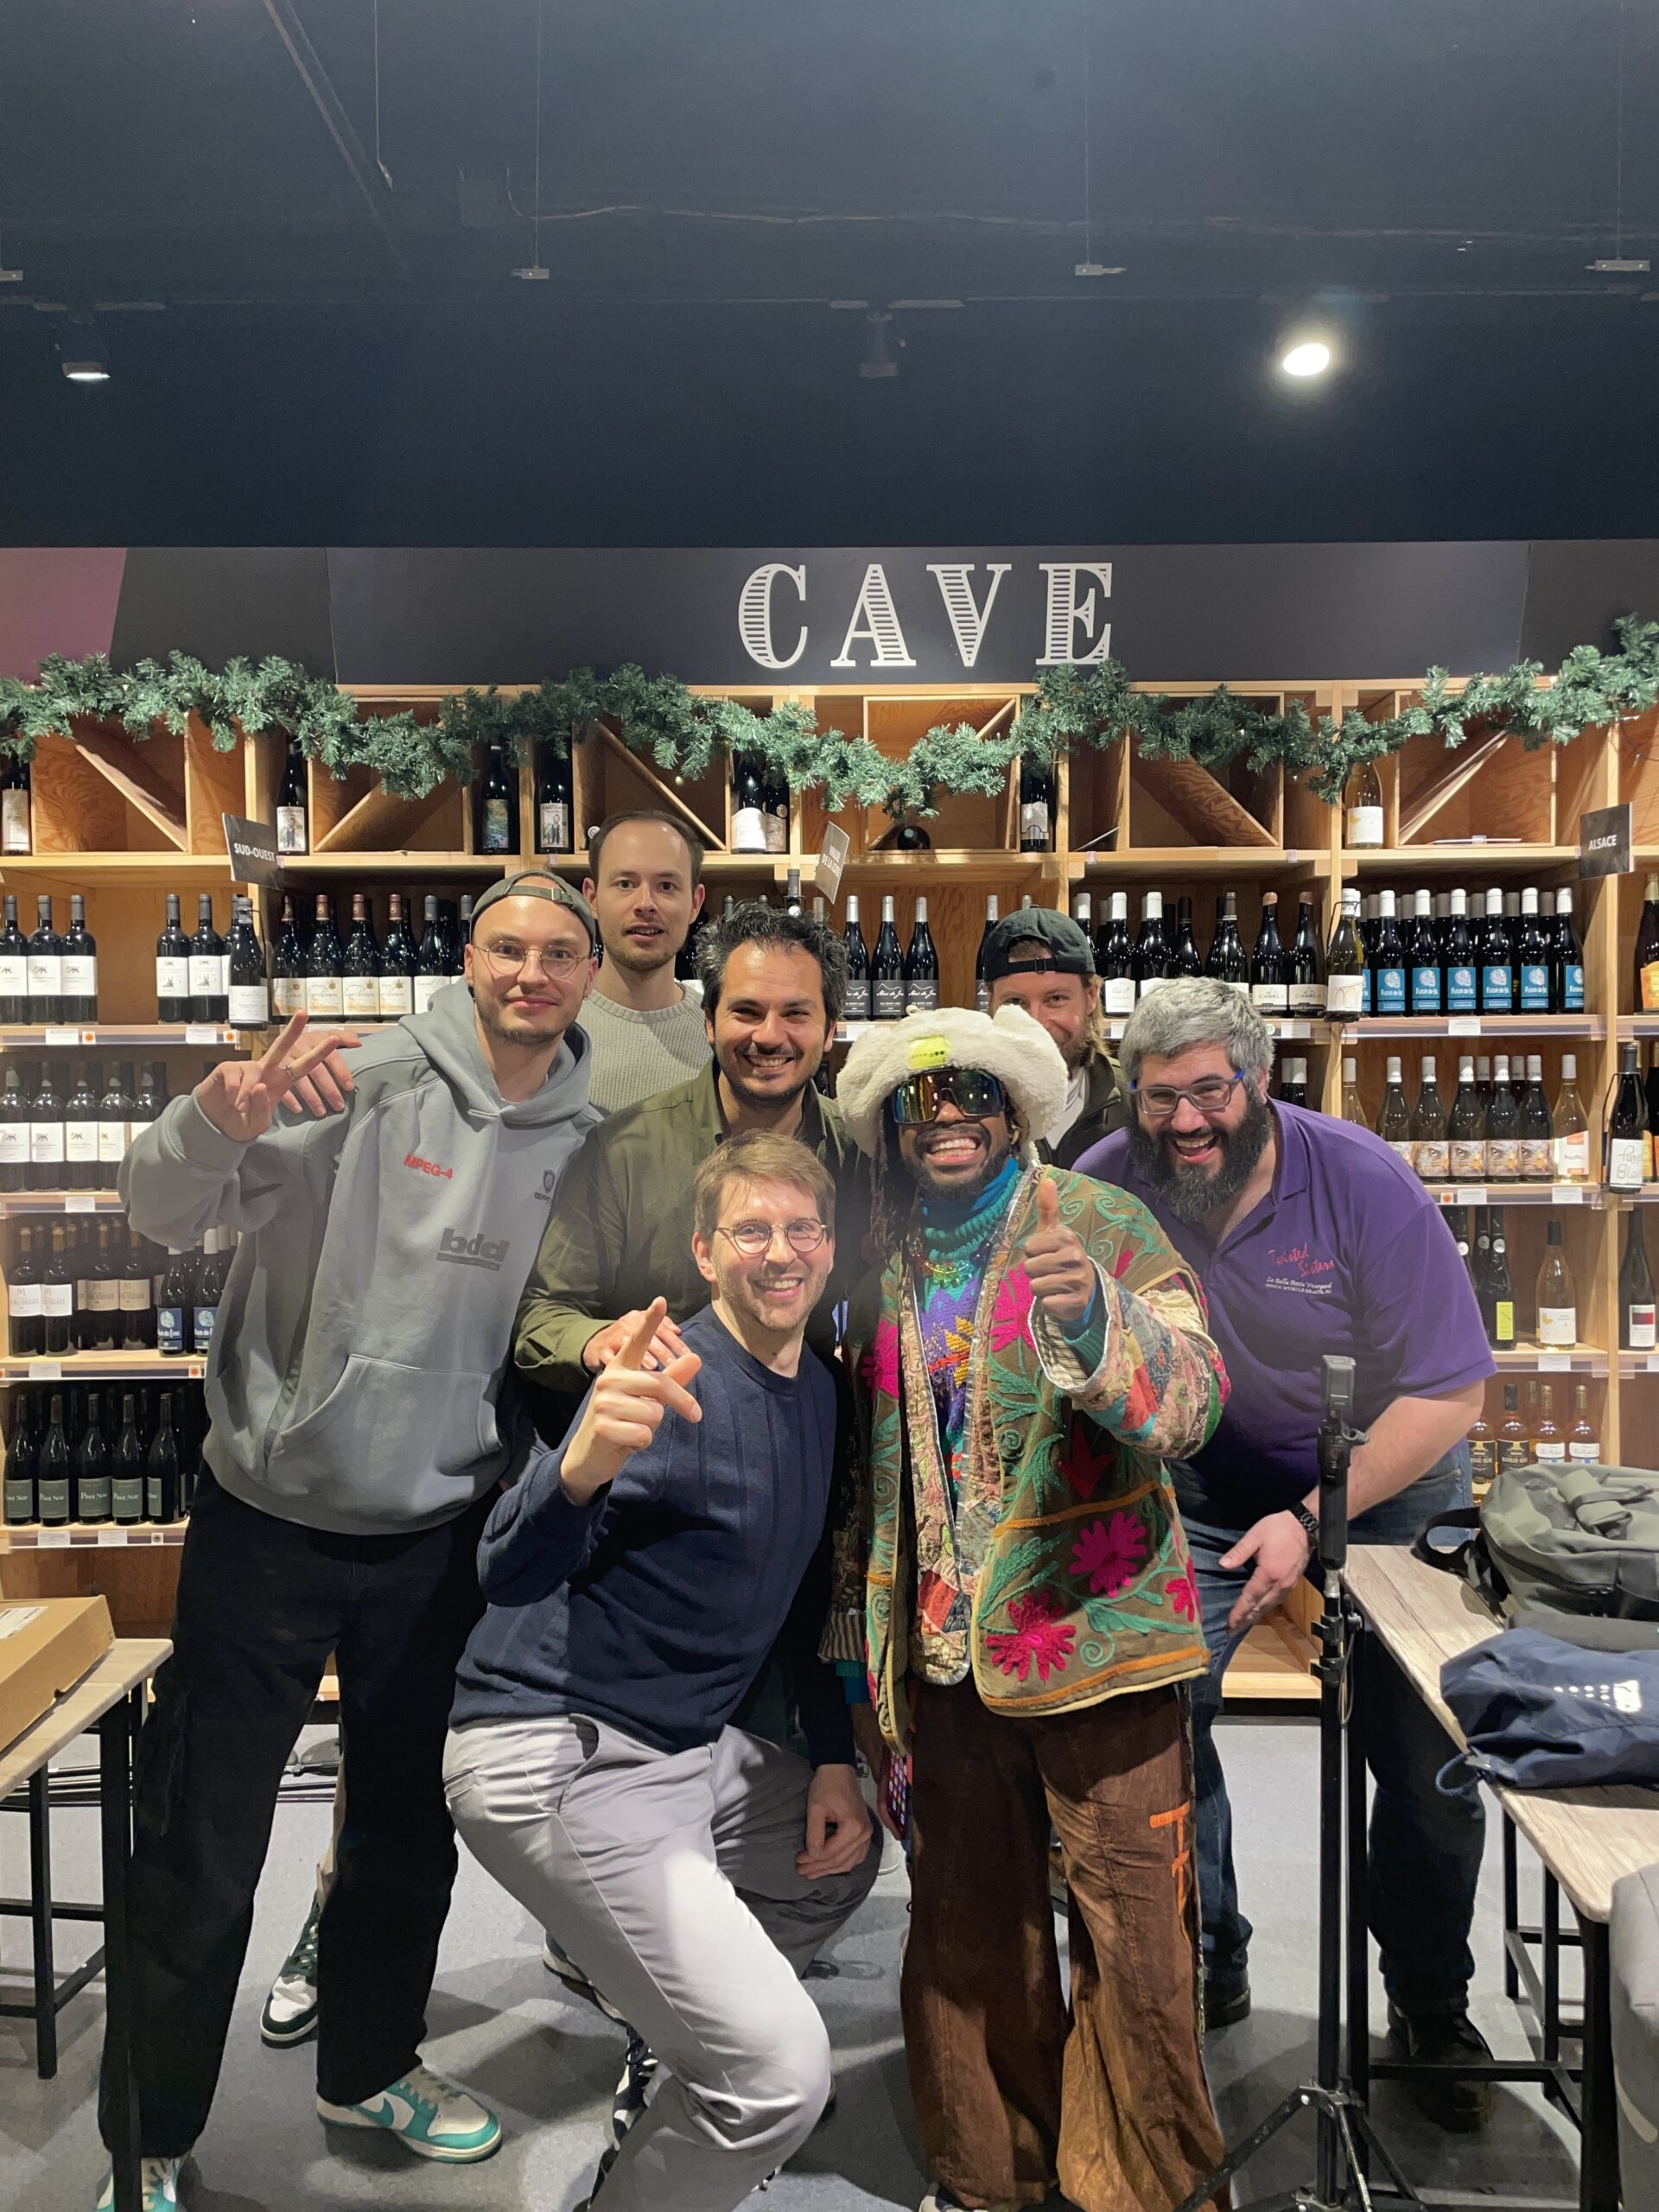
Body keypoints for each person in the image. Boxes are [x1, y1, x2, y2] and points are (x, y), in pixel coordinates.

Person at [99, 870, 603, 2210]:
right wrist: (215, 1118)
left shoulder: (590, 1132)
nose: (532, 973)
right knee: (200, 1845)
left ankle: (370, 2067)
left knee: (403, 1833)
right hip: (269, 1524)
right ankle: (148, 2141)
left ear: (589, 973)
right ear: (468, 958)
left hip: (438, 1533)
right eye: (509, 947)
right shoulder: (353, 1081)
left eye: (560, 952)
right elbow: (155, 1208)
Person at [1076, 979, 1496, 2127]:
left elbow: (1451, 1392)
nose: (1185, 1121)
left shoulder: (1362, 1181)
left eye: (1209, 1091)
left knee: (1429, 1761)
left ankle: (1429, 1995)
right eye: (1160, 1097)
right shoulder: (1108, 1179)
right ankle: (1209, 1953)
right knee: (1160, 1713)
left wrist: (1313, 1521)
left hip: (1385, 1487)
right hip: (1201, 1489)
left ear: (1259, 1082)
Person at [832, 1003, 1229, 2212]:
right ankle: (991, 2175)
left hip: (1101, 1637)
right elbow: (870, 1478)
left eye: (973, 1096)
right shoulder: (882, 1257)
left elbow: (1195, 1401)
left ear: (1014, 1112)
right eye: (921, 1101)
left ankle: (1147, 2188)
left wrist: (1095, 1317)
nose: (947, 1120)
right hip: (942, 1656)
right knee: (967, 1931)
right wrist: (863, 1667)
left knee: (1138, 1941)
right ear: (894, 1126)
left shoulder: (1097, 1221)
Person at [446, 1133, 880, 2212]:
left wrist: (833, 1757)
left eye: (801, 1228)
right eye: (751, 1230)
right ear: (704, 1251)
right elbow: (506, 1568)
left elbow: (796, 1597)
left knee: (837, 1855)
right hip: (559, 1749)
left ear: (830, 1247)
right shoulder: (668, 1381)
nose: (779, 1252)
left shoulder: (822, 1390)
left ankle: (673, 2039)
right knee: (779, 2080)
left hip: (682, 1747)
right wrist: (578, 1466)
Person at [515, 898, 867, 1410]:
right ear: (709, 1022)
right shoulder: (623, 1151)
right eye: (746, 1012)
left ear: (831, 1030)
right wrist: (597, 1340)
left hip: (806, 1431)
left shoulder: (859, 1152)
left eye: (796, 1014)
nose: (770, 1036)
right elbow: (543, 1316)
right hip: (656, 1435)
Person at [578, 810, 712, 1115]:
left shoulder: (722, 1038)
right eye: (625, 884)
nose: (645, 904)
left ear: (695, 904)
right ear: (593, 898)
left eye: (666, 886)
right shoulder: (553, 1027)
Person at [982, 906, 1126, 1166]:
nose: (1036, 1022)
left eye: (1056, 999)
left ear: (1091, 996)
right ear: (990, 1002)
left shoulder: (1138, 1100)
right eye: (1015, 1001)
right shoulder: (965, 1106)